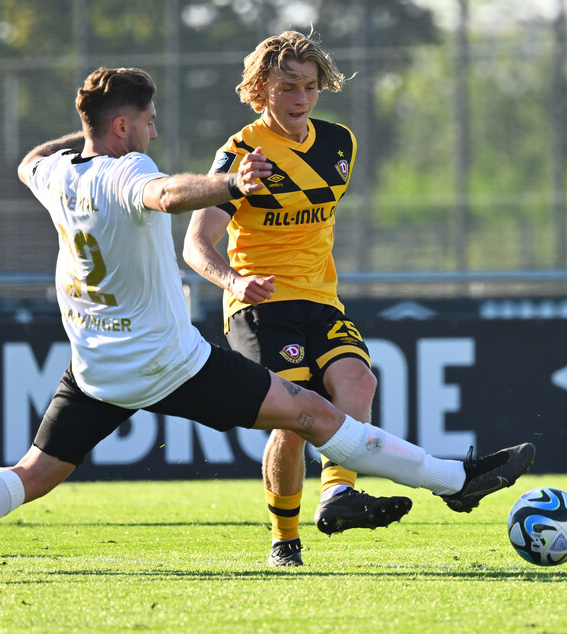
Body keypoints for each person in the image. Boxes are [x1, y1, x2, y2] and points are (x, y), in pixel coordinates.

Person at [0, 66, 535, 584]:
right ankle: (456, 480)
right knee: (307, 412)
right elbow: (165, 193)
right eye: (148, 121)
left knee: (33, 471)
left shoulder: (55, 174)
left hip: (96, 366)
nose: (155, 131)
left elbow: (30, 157)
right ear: (124, 127)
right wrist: (229, 187)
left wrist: (89, 130)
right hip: (169, 363)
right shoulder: (129, 171)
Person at [183, 31, 407, 567]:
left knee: (359, 381)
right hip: (259, 307)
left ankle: (337, 493)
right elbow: (195, 244)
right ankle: (285, 540)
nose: (302, 98)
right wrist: (234, 283)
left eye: (310, 87)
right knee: (295, 418)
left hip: (322, 300)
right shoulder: (240, 154)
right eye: (288, 87)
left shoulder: (339, 143)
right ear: (261, 88)